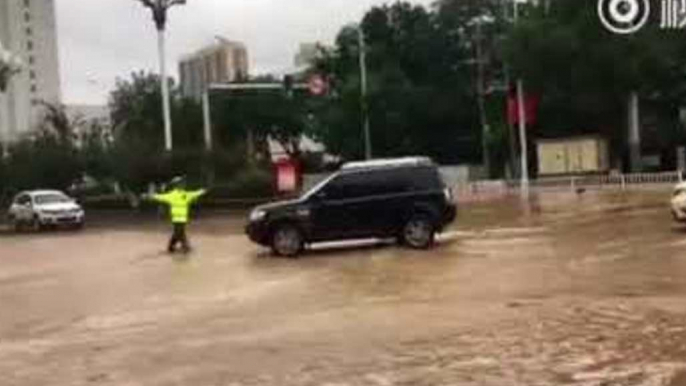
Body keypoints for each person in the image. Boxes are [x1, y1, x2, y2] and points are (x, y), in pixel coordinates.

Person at [148, 176, 207, 253]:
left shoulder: (186, 194)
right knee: (179, 233)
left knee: (178, 233)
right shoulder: (172, 195)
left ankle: (171, 248)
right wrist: (152, 196)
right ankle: (185, 247)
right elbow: (161, 197)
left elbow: (194, 194)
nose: (182, 185)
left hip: (183, 218)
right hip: (175, 218)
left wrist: (202, 191)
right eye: (179, 183)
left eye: (182, 183)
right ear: (176, 185)